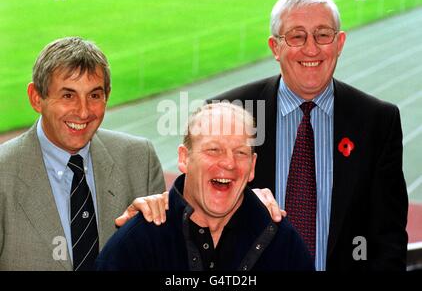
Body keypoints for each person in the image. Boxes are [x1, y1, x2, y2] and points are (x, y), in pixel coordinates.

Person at [208, 0, 408, 271]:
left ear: (339, 43)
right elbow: (199, 221)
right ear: (275, 47)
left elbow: (387, 242)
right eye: (296, 36)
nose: (311, 49)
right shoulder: (225, 113)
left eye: (323, 35)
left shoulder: (378, 121)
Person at [0, 37, 167, 270]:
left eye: (94, 95)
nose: (83, 111)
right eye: (68, 95)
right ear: (36, 98)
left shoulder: (140, 159)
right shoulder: (4, 173)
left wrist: (140, 237)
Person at [95, 103, 314, 271]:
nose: (228, 163)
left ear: (252, 166)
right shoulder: (137, 243)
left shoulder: (282, 242)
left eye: (240, 153)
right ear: (184, 158)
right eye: (213, 150)